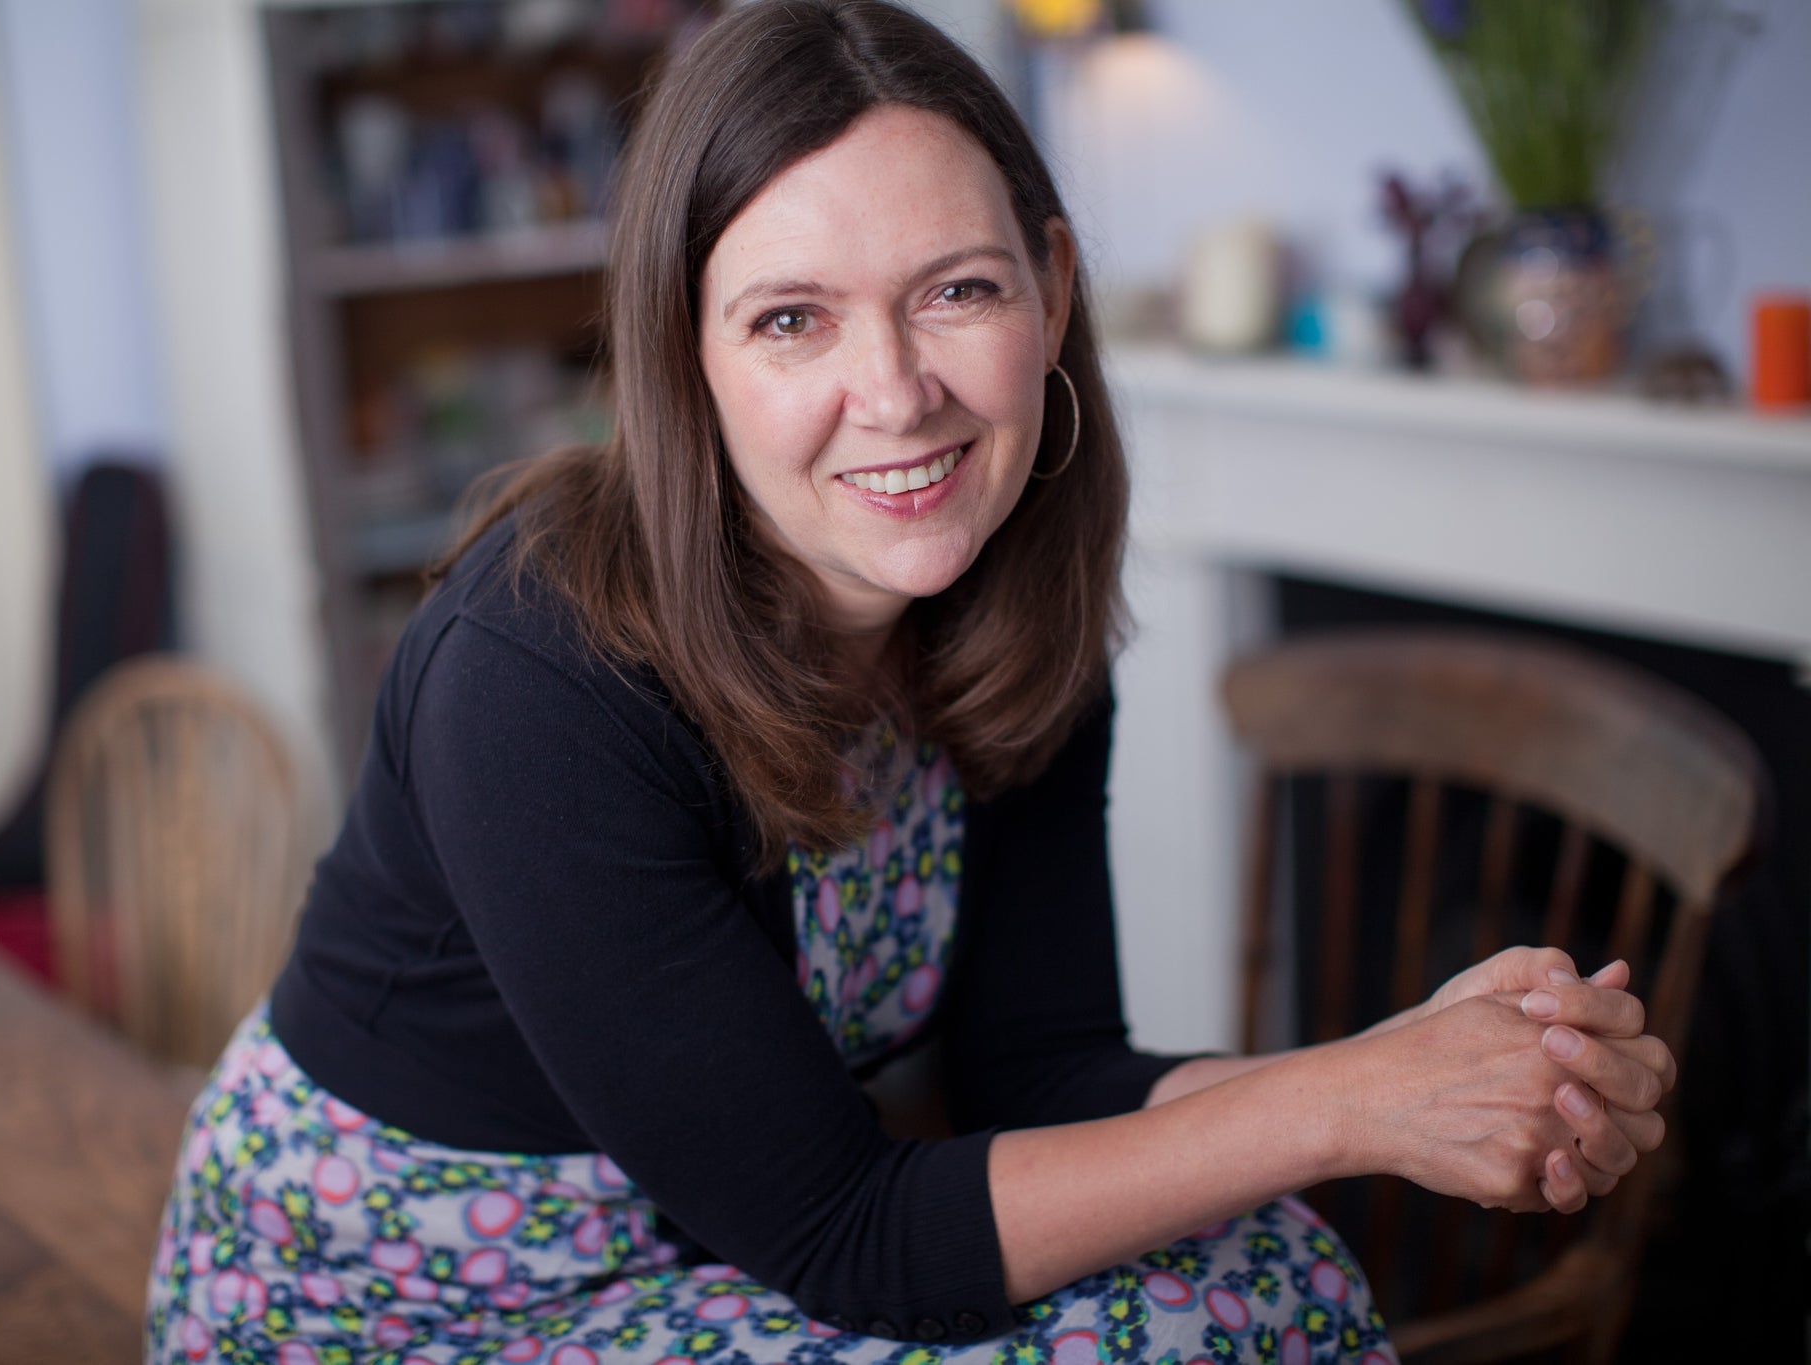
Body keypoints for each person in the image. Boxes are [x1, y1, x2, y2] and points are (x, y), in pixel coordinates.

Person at [146, 4, 1677, 1361]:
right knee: (1232, 1300)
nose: (895, 394)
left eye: (956, 292)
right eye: (792, 318)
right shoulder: (539, 668)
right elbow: (848, 1233)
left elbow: (1042, 1072)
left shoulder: (1010, 606)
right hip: (396, 1315)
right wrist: (1351, 1105)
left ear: (1052, 288)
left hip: (707, 1263)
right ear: (687, 356)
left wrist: (1428, 1068)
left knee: (1260, 1262)